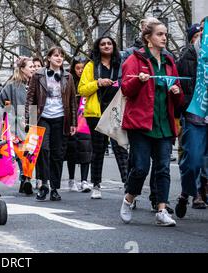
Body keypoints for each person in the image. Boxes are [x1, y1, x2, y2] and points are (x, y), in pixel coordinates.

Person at [120, 18, 183, 227]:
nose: (164, 37)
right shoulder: (134, 59)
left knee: (163, 168)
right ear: (148, 38)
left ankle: (161, 210)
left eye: (165, 34)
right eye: (160, 34)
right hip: (141, 123)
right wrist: (139, 79)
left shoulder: (169, 61)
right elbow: (125, 89)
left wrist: (175, 91)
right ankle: (129, 198)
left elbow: (178, 95)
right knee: (140, 168)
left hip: (164, 123)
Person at [78, 36, 129, 199]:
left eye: (109, 43)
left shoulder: (121, 65)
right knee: (98, 150)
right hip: (96, 113)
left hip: (116, 112)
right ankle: (96, 185)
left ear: (114, 46)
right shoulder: (91, 66)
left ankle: (128, 187)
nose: (106, 46)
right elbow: (82, 89)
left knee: (120, 149)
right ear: (98, 48)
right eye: (103, 44)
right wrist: (98, 83)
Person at [26, 46, 77, 201]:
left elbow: (73, 101)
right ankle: (44, 185)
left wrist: (73, 122)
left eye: (61, 55)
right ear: (48, 58)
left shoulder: (68, 76)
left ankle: (55, 188)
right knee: (44, 151)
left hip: (61, 118)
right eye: (55, 55)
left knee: (58, 154)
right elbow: (30, 98)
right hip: (43, 117)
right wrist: (30, 119)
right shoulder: (38, 75)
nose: (59, 58)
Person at [175, 18, 207, 217]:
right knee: (193, 162)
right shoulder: (188, 55)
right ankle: (186, 192)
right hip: (196, 117)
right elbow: (178, 85)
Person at [0, 56, 35, 194]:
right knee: (21, 153)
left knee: (31, 152)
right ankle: (25, 179)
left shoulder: (35, 84)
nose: (33, 69)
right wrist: (11, 116)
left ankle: (26, 179)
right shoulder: (11, 86)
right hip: (17, 124)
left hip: (33, 121)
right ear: (22, 69)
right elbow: (2, 102)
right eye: (30, 67)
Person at [65, 56, 92, 193]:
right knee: (72, 151)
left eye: (83, 68)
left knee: (86, 150)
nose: (80, 71)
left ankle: (84, 180)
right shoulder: (69, 81)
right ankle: (71, 179)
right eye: (78, 68)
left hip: (86, 120)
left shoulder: (89, 80)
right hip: (73, 121)